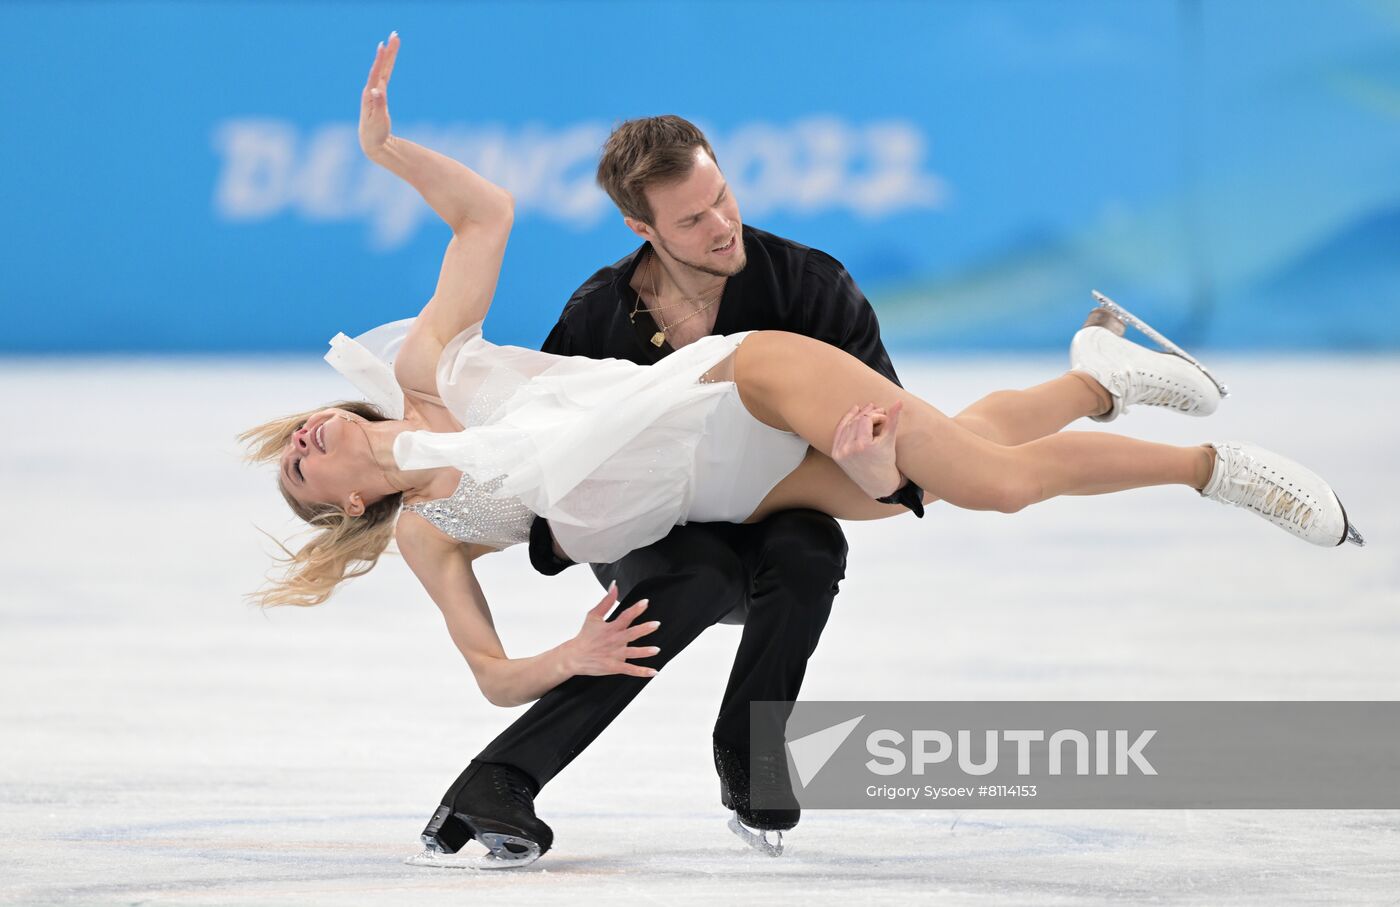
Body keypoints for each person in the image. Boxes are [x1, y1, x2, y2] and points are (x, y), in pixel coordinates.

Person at [242, 35, 1362, 868]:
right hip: (709, 489)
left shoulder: (428, 371)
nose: (306, 437)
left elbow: (482, 216)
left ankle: (1214, 470)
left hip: (734, 392)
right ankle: (1092, 376)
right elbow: (490, 673)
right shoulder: (432, 534)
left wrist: (385, 149)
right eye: (301, 468)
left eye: (295, 434)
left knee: (992, 483)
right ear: (344, 508)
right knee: (964, 458)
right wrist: (565, 658)